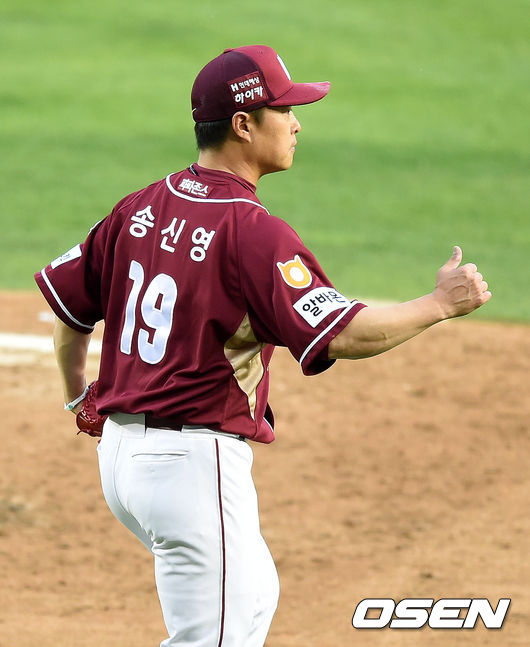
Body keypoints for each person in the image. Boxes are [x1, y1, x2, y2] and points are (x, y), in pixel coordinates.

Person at [34, 45, 491, 646]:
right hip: (191, 467)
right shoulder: (252, 233)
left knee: (253, 595)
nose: (297, 123)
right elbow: (344, 333)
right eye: (285, 110)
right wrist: (440, 304)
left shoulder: (138, 207)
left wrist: (79, 398)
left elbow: (69, 309)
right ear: (244, 124)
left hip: (122, 460)